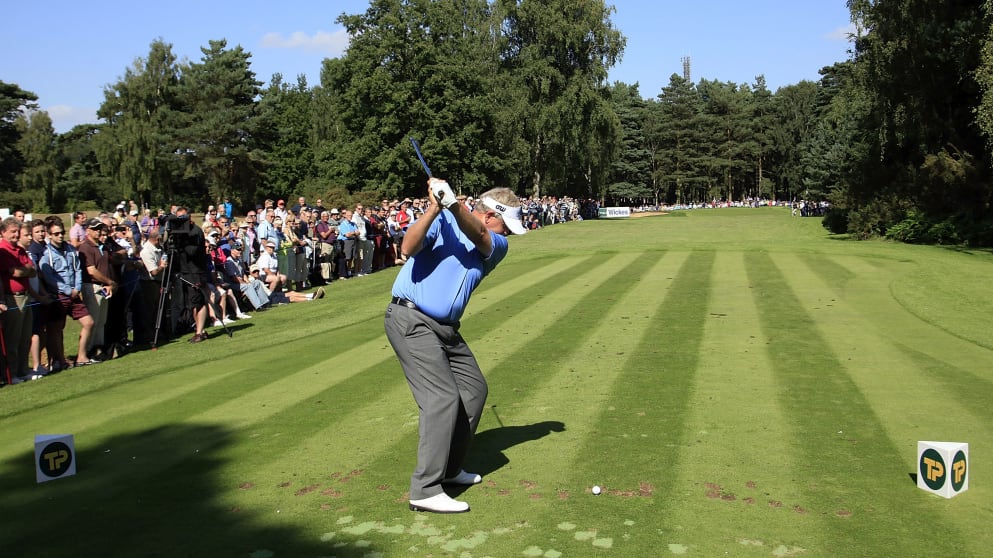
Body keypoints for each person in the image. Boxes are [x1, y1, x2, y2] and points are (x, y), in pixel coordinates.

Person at [384, 177, 527, 514]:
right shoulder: (444, 219)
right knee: (441, 398)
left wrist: (452, 205)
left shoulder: (495, 244)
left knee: (474, 390)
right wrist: (435, 207)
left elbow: (478, 234)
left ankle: (448, 470)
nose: (506, 233)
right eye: (505, 225)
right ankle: (425, 489)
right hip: (411, 319)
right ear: (491, 215)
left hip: (447, 330)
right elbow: (407, 248)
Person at [40, 219, 96, 369]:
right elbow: (49, 277)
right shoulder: (47, 254)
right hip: (59, 295)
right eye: (56, 233)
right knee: (57, 329)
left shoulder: (71, 250)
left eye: (62, 233)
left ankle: (82, 356)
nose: (60, 236)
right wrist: (66, 290)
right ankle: (60, 361)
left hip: (74, 293)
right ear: (49, 235)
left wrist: (76, 288)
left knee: (88, 322)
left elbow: (77, 269)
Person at [0, 217, 40, 382]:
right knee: (13, 338)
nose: (16, 235)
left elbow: (32, 270)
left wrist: (23, 270)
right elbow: (15, 272)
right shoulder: (3, 249)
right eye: (12, 232)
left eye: (17, 232)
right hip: (12, 299)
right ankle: (13, 373)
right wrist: (24, 270)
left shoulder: (20, 250)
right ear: (3, 233)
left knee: (25, 337)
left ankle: (24, 370)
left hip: (25, 296)